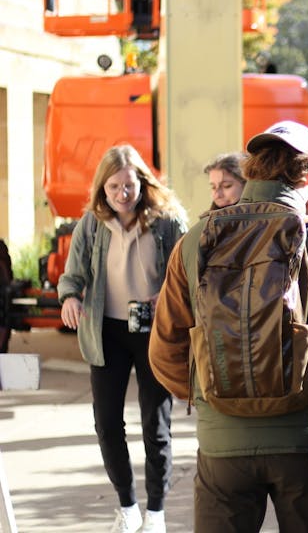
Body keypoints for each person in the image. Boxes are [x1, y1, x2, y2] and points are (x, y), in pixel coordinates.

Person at [149, 121, 308, 533]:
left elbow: (164, 350)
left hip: (222, 442)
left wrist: (214, 392)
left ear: (251, 171)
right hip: (305, 440)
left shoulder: (196, 240)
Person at [57, 145, 188, 533]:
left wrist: (166, 295)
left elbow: (186, 273)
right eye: (113, 186)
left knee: (155, 426)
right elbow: (72, 274)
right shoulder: (92, 224)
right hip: (107, 333)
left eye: (129, 185)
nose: (122, 193)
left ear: (142, 183)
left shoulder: (167, 221)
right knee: (107, 424)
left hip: (154, 332)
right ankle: (128, 507)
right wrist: (70, 297)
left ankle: (156, 514)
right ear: (102, 187)